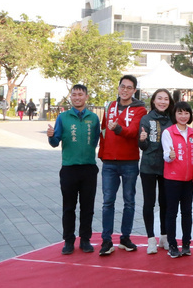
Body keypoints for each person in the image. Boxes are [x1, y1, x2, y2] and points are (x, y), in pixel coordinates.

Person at [47, 84, 100, 255]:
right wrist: (50, 137)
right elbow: (55, 142)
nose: (77, 97)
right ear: (71, 97)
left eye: (80, 94)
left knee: (88, 207)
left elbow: (97, 140)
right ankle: (68, 240)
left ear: (86, 97)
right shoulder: (63, 117)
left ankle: (85, 239)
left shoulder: (94, 118)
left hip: (89, 168)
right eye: (74, 95)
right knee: (69, 207)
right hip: (69, 169)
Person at [98, 75, 147, 256]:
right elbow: (103, 130)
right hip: (109, 161)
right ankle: (106, 240)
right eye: (122, 86)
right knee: (107, 202)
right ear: (118, 87)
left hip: (129, 161)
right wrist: (102, 153)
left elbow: (134, 131)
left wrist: (118, 129)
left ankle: (125, 237)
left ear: (134, 90)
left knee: (129, 202)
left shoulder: (140, 109)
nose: (125, 90)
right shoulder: (110, 106)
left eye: (129, 87)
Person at [138, 88, 173, 254]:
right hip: (148, 167)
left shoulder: (172, 119)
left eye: (166, 99)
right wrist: (142, 140)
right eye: (159, 98)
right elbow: (143, 146)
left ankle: (164, 237)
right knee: (149, 203)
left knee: (165, 203)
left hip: (167, 167)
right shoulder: (146, 119)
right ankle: (151, 239)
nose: (163, 102)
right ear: (153, 101)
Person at [161, 101, 193, 258]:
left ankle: (186, 244)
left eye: (186, 113)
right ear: (174, 115)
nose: (183, 116)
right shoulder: (168, 132)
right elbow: (166, 154)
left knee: (187, 212)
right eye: (180, 113)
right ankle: (172, 245)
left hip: (189, 180)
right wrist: (170, 156)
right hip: (172, 179)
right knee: (172, 212)